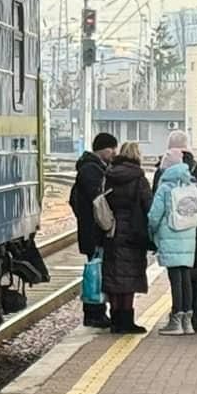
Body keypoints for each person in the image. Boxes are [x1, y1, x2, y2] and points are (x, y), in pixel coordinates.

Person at [99, 140, 154, 333]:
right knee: (129, 278)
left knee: (114, 277)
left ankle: (115, 320)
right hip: (133, 231)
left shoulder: (109, 175)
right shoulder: (139, 178)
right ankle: (127, 321)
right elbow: (149, 205)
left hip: (111, 230)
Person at [149, 141, 197, 334]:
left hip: (170, 236)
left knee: (175, 280)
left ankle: (176, 320)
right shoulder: (191, 185)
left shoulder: (164, 188)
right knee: (186, 278)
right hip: (188, 237)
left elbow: (155, 215)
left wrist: (151, 232)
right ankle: (188, 320)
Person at [69, 133, 118, 327]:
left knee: (97, 270)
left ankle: (97, 312)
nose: (114, 152)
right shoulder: (91, 170)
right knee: (95, 272)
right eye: (111, 148)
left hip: (93, 229)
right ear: (101, 149)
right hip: (94, 231)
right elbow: (98, 198)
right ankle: (93, 313)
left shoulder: (93, 167)